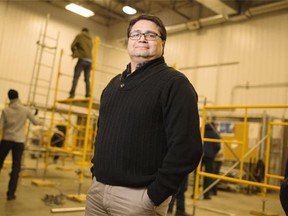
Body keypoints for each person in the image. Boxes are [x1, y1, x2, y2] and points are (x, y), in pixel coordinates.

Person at [85, 14, 203, 216]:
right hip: (97, 193)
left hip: (138, 200)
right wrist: (96, 173)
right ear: (128, 41)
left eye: (150, 35)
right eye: (136, 34)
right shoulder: (112, 85)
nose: (142, 39)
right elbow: (102, 132)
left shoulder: (174, 84)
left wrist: (154, 196)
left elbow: (187, 148)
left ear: (163, 43)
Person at [0, 89, 42, 200]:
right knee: (16, 167)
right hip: (19, 142)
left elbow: (0, 127)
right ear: (18, 96)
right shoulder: (25, 110)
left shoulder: (5, 110)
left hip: (6, 140)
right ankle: (10, 194)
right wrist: (36, 115)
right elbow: (36, 122)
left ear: (9, 98)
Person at [69, 27, 93, 98]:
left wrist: (75, 52)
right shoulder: (90, 39)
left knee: (76, 77)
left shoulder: (80, 36)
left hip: (82, 59)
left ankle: (72, 94)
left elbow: (72, 46)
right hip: (90, 60)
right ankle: (88, 94)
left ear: (82, 31)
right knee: (87, 79)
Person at [202, 122, 221, 200]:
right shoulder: (216, 135)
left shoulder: (202, 132)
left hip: (201, 156)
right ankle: (206, 194)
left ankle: (195, 192)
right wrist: (213, 154)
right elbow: (218, 146)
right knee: (208, 175)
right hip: (210, 157)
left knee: (197, 175)